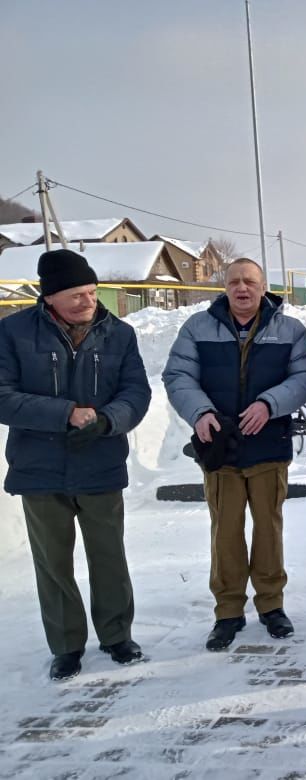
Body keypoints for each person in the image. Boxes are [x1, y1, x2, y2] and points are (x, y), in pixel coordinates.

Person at [0, 248, 151, 681]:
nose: (87, 301)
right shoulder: (12, 333)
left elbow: (136, 393)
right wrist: (63, 413)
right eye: (75, 295)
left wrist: (108, 420)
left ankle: (117, 635)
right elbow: (3, 395)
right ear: (49, 298)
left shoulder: (118, 334)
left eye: (90, 291)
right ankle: (66, 644)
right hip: (38, 467)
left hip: (100, 461)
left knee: (109, 555)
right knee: (53, 561)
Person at [163, 258, 306, 651]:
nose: (242, 288)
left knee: (269, 530)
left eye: (250, 281)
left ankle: (271, 605)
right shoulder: (198, 328)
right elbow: (178, 375)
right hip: (221, 450)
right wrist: (200, 411)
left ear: (263, 286)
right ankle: (228, 611)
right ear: (225, 287)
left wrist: (270, 404)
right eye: (234, 282)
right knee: (226, 532)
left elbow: (305, 377)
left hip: (269, 446)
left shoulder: (290, 330)